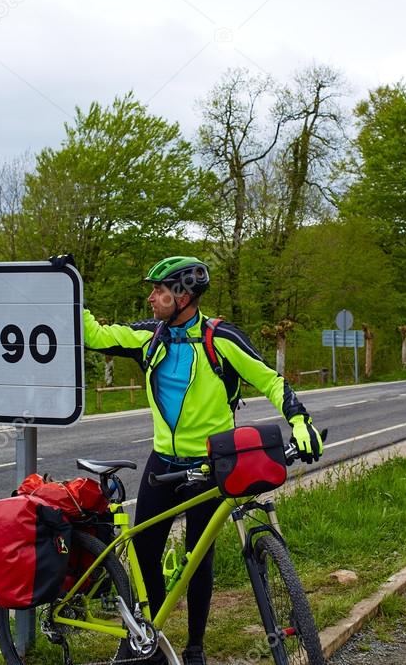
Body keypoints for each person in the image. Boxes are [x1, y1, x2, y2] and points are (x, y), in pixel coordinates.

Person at [51, 254, 322, 665]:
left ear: (183, 295)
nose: (151, 298)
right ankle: (150, 637)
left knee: (199, 559)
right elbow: (94, 335)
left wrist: (300, 420)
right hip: (163, 464)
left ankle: (195, 646)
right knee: (144, 553)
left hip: (211, 466)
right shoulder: (149, 337)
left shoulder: (221, 339)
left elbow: (270, 379)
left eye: (158, 291)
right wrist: (67, 284)